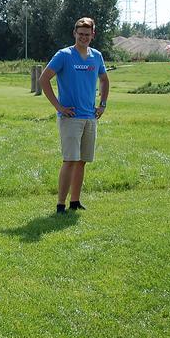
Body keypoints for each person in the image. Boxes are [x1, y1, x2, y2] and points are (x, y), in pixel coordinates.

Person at [39, 16, 110, 212]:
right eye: (80, 34)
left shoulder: (97, 56)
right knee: (70, 160)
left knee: (82, 162)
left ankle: (75, 202)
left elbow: (104, 79)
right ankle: (60, 204)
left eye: (87, 34)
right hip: (70, 118)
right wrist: (58, 107)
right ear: (74, 34)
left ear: (93, 35)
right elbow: (44, 79)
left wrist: (102, 105)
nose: (83, 38)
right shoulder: (64, 55)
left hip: (90, 117)